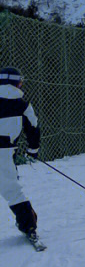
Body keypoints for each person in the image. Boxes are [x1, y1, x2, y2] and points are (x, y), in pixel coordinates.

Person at [0, 67, 41, 239]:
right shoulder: (22, 104)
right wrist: (32, 150)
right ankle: (28, 225)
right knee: (12, 189)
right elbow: (33, 128)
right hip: (4, 151)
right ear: (16, 83)